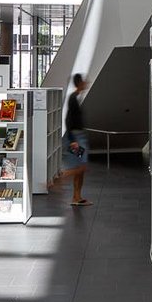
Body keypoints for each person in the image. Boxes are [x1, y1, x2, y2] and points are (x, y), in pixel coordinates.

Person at [62, 73, 90, 206]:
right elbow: (68, 120)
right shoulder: (73, 98)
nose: (86, 83)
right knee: (81, 167)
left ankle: (77, 197)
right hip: (76, 137)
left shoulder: (76, 97)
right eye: (84, 81)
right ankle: (58, 180)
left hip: (78, 136)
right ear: (79, 83)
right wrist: (73, 139)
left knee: (80, 167)